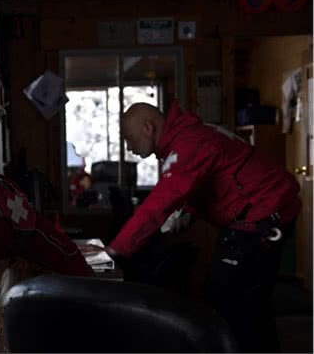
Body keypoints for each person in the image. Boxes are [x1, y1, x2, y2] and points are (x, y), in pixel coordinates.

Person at [104, 101, 301, 353]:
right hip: (256, 217)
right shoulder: (186, 138)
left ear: (147, 128)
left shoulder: (189, 142)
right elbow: (214, 181)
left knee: (232, 304)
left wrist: (114, 249)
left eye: (129, 139)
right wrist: (186, 212)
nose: (129, 148)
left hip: (261, 219)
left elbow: (160, 201)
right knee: (244, 305)